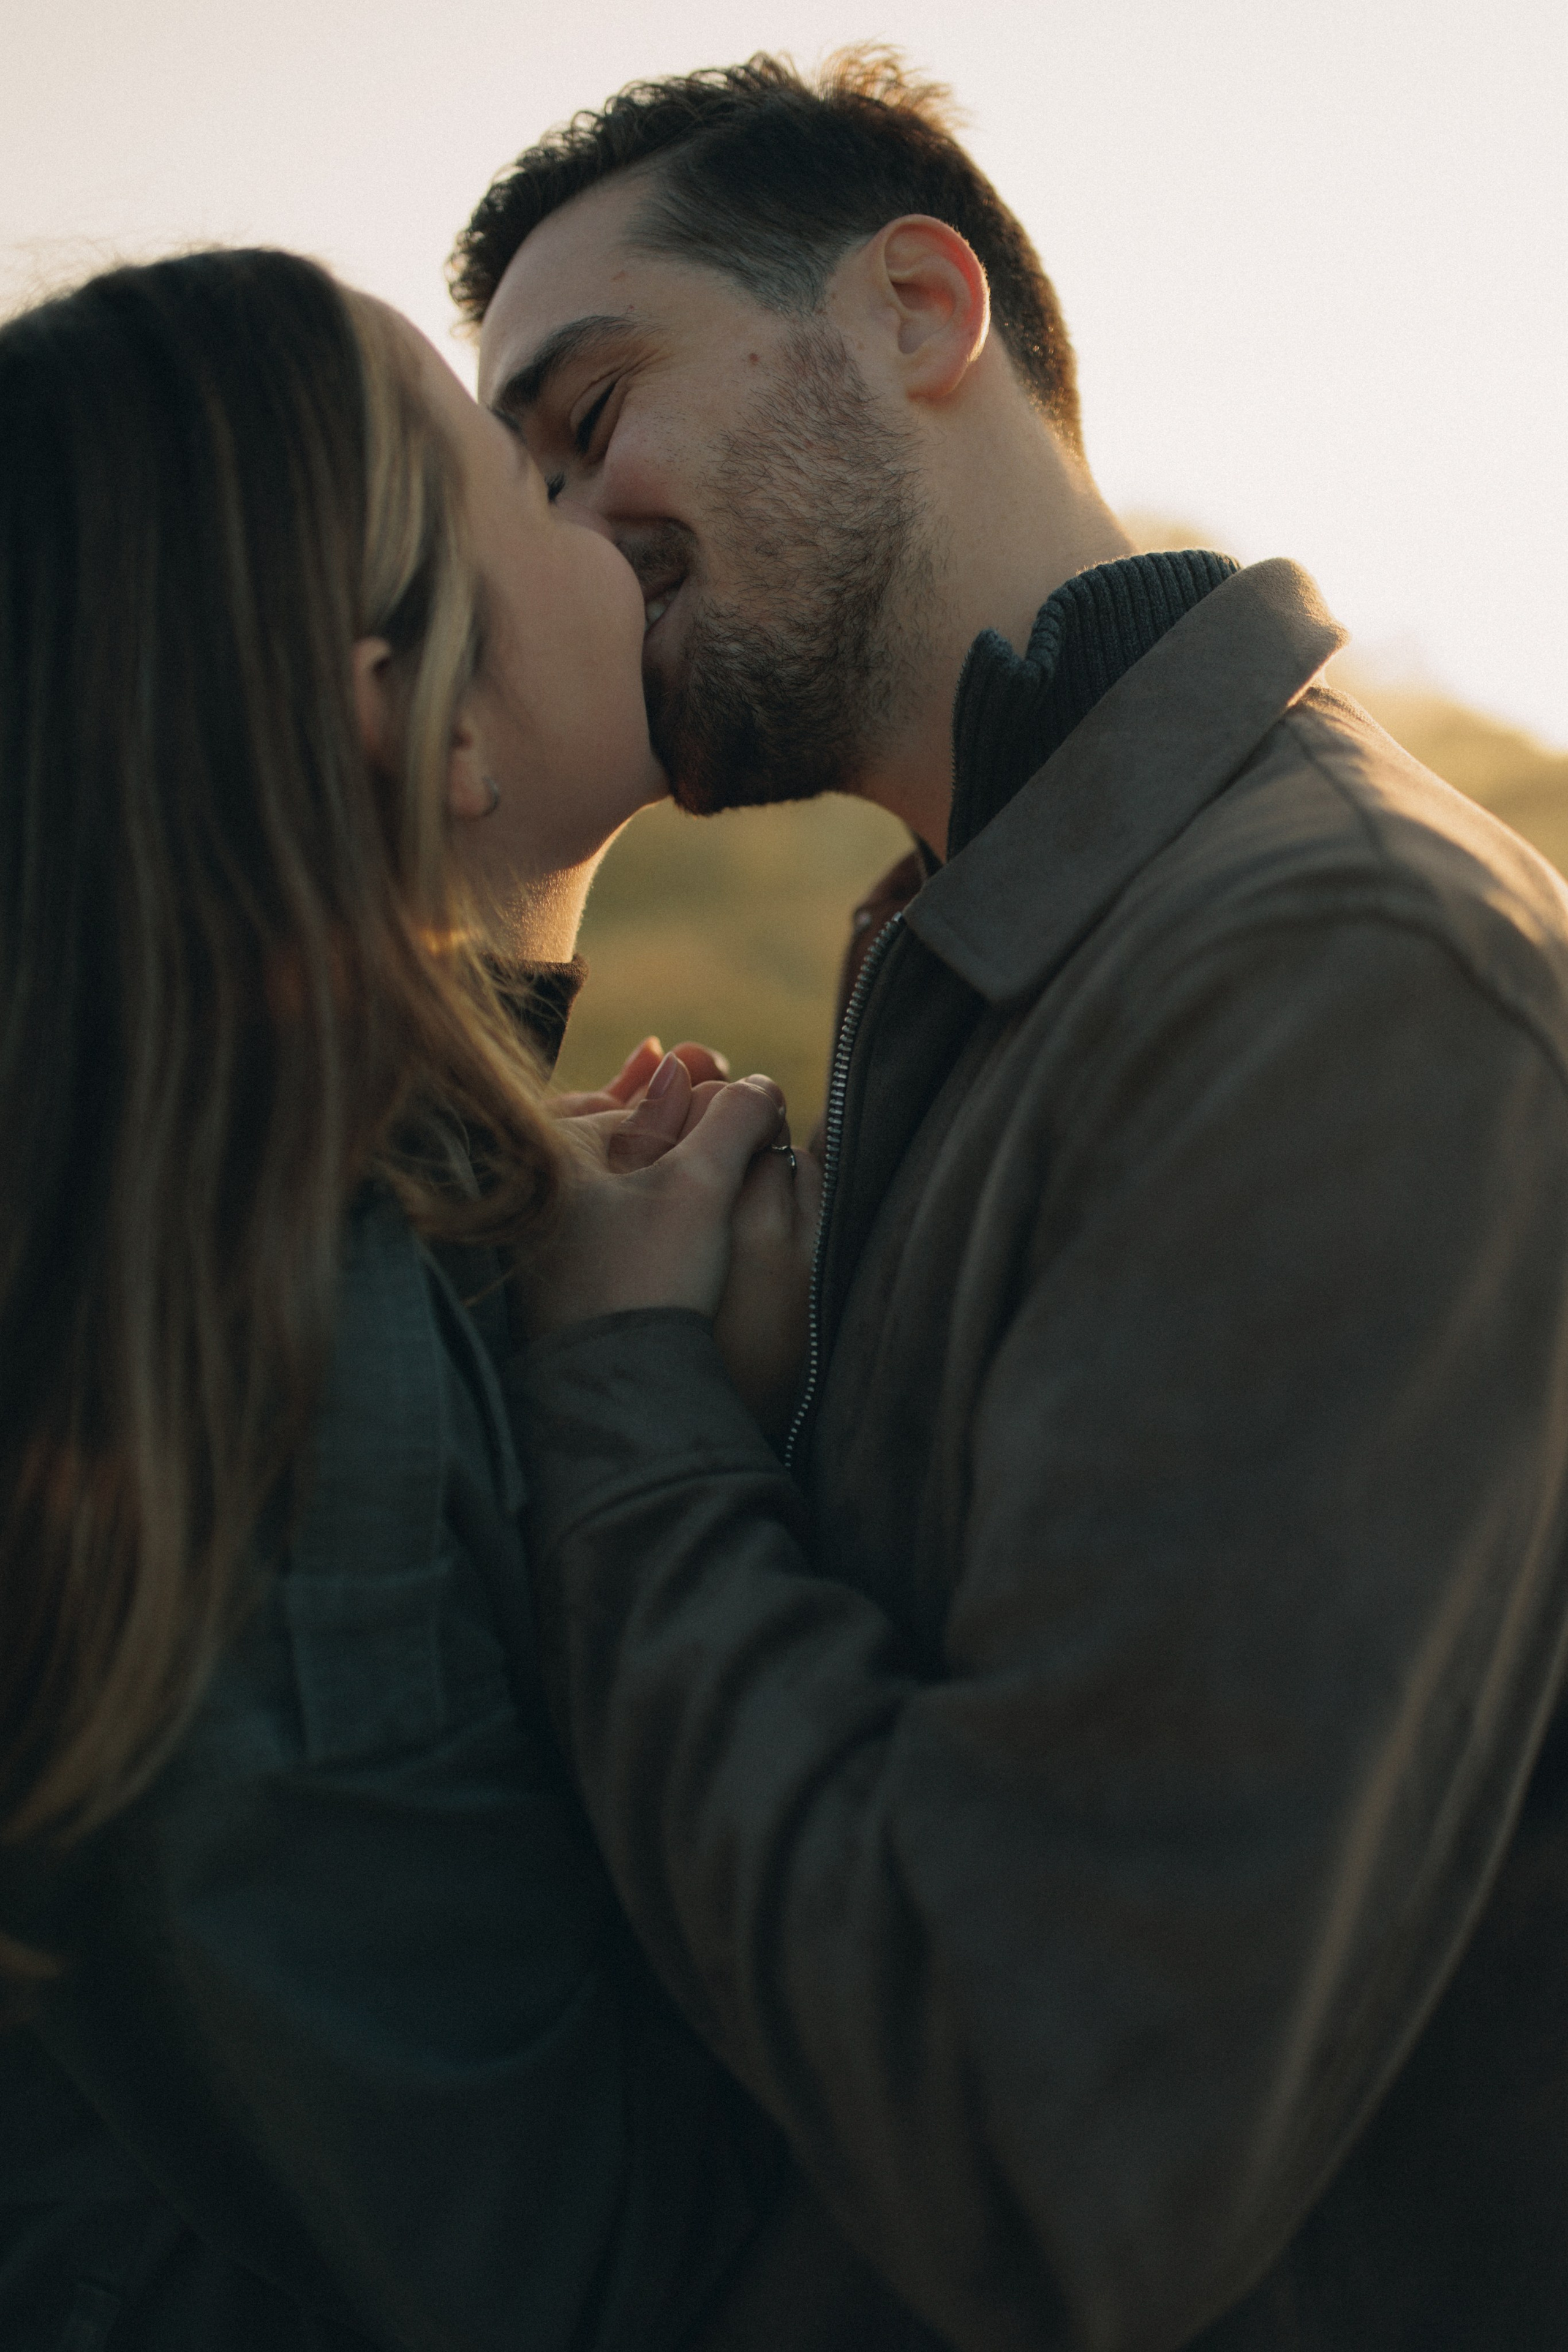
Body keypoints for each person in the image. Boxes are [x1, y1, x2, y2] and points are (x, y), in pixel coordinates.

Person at [450, 50, 1568, 2352]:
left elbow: (1036, 2134)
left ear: (920, 310)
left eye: (593, 417)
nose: (560, 533)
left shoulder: (1319, 974)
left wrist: (634, 1410)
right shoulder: (1014, 945)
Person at [0, 244, 907, 2352]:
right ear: (402, 711)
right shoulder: (272, 1357)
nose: (605, 506)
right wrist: (651, 1407)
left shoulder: (346, 1210)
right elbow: (567, 2266)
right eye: (522, 478)